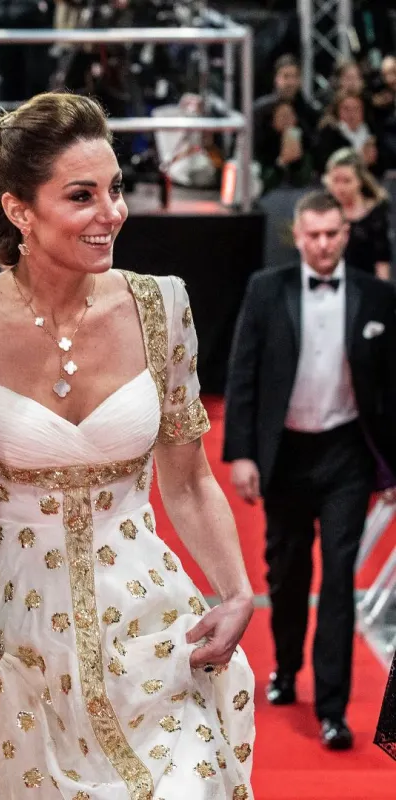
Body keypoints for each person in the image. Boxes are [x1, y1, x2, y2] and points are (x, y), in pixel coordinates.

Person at [0, 92, 256, 798]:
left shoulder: (161, 306)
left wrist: (237, 592)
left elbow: (190, 478)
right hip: (17, 643)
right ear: (20, 210)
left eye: (114, 189)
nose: (111, 212)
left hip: (154, 628)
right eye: (81, 195)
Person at [223, 189, 396, 751]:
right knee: (287, 574)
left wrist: (392, 467)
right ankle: (287, 666)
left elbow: (391, 389)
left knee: (339, 578)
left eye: (333, 233)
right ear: (296, 236)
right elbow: (242, 372)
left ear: (345, 234)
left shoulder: (377, 296)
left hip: (347, 456)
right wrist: (243, 453)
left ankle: (332, 709)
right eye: (313, 234)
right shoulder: (266, 290)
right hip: (286, 456)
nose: (323, 244)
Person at [321, 147, 391, 280]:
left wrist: (383, 296)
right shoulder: (323, 209)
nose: (340, 188)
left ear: (360, 180)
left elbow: (382, 261)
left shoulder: (375, 213)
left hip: (365, 286)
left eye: (347, 181)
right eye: (335, 180)